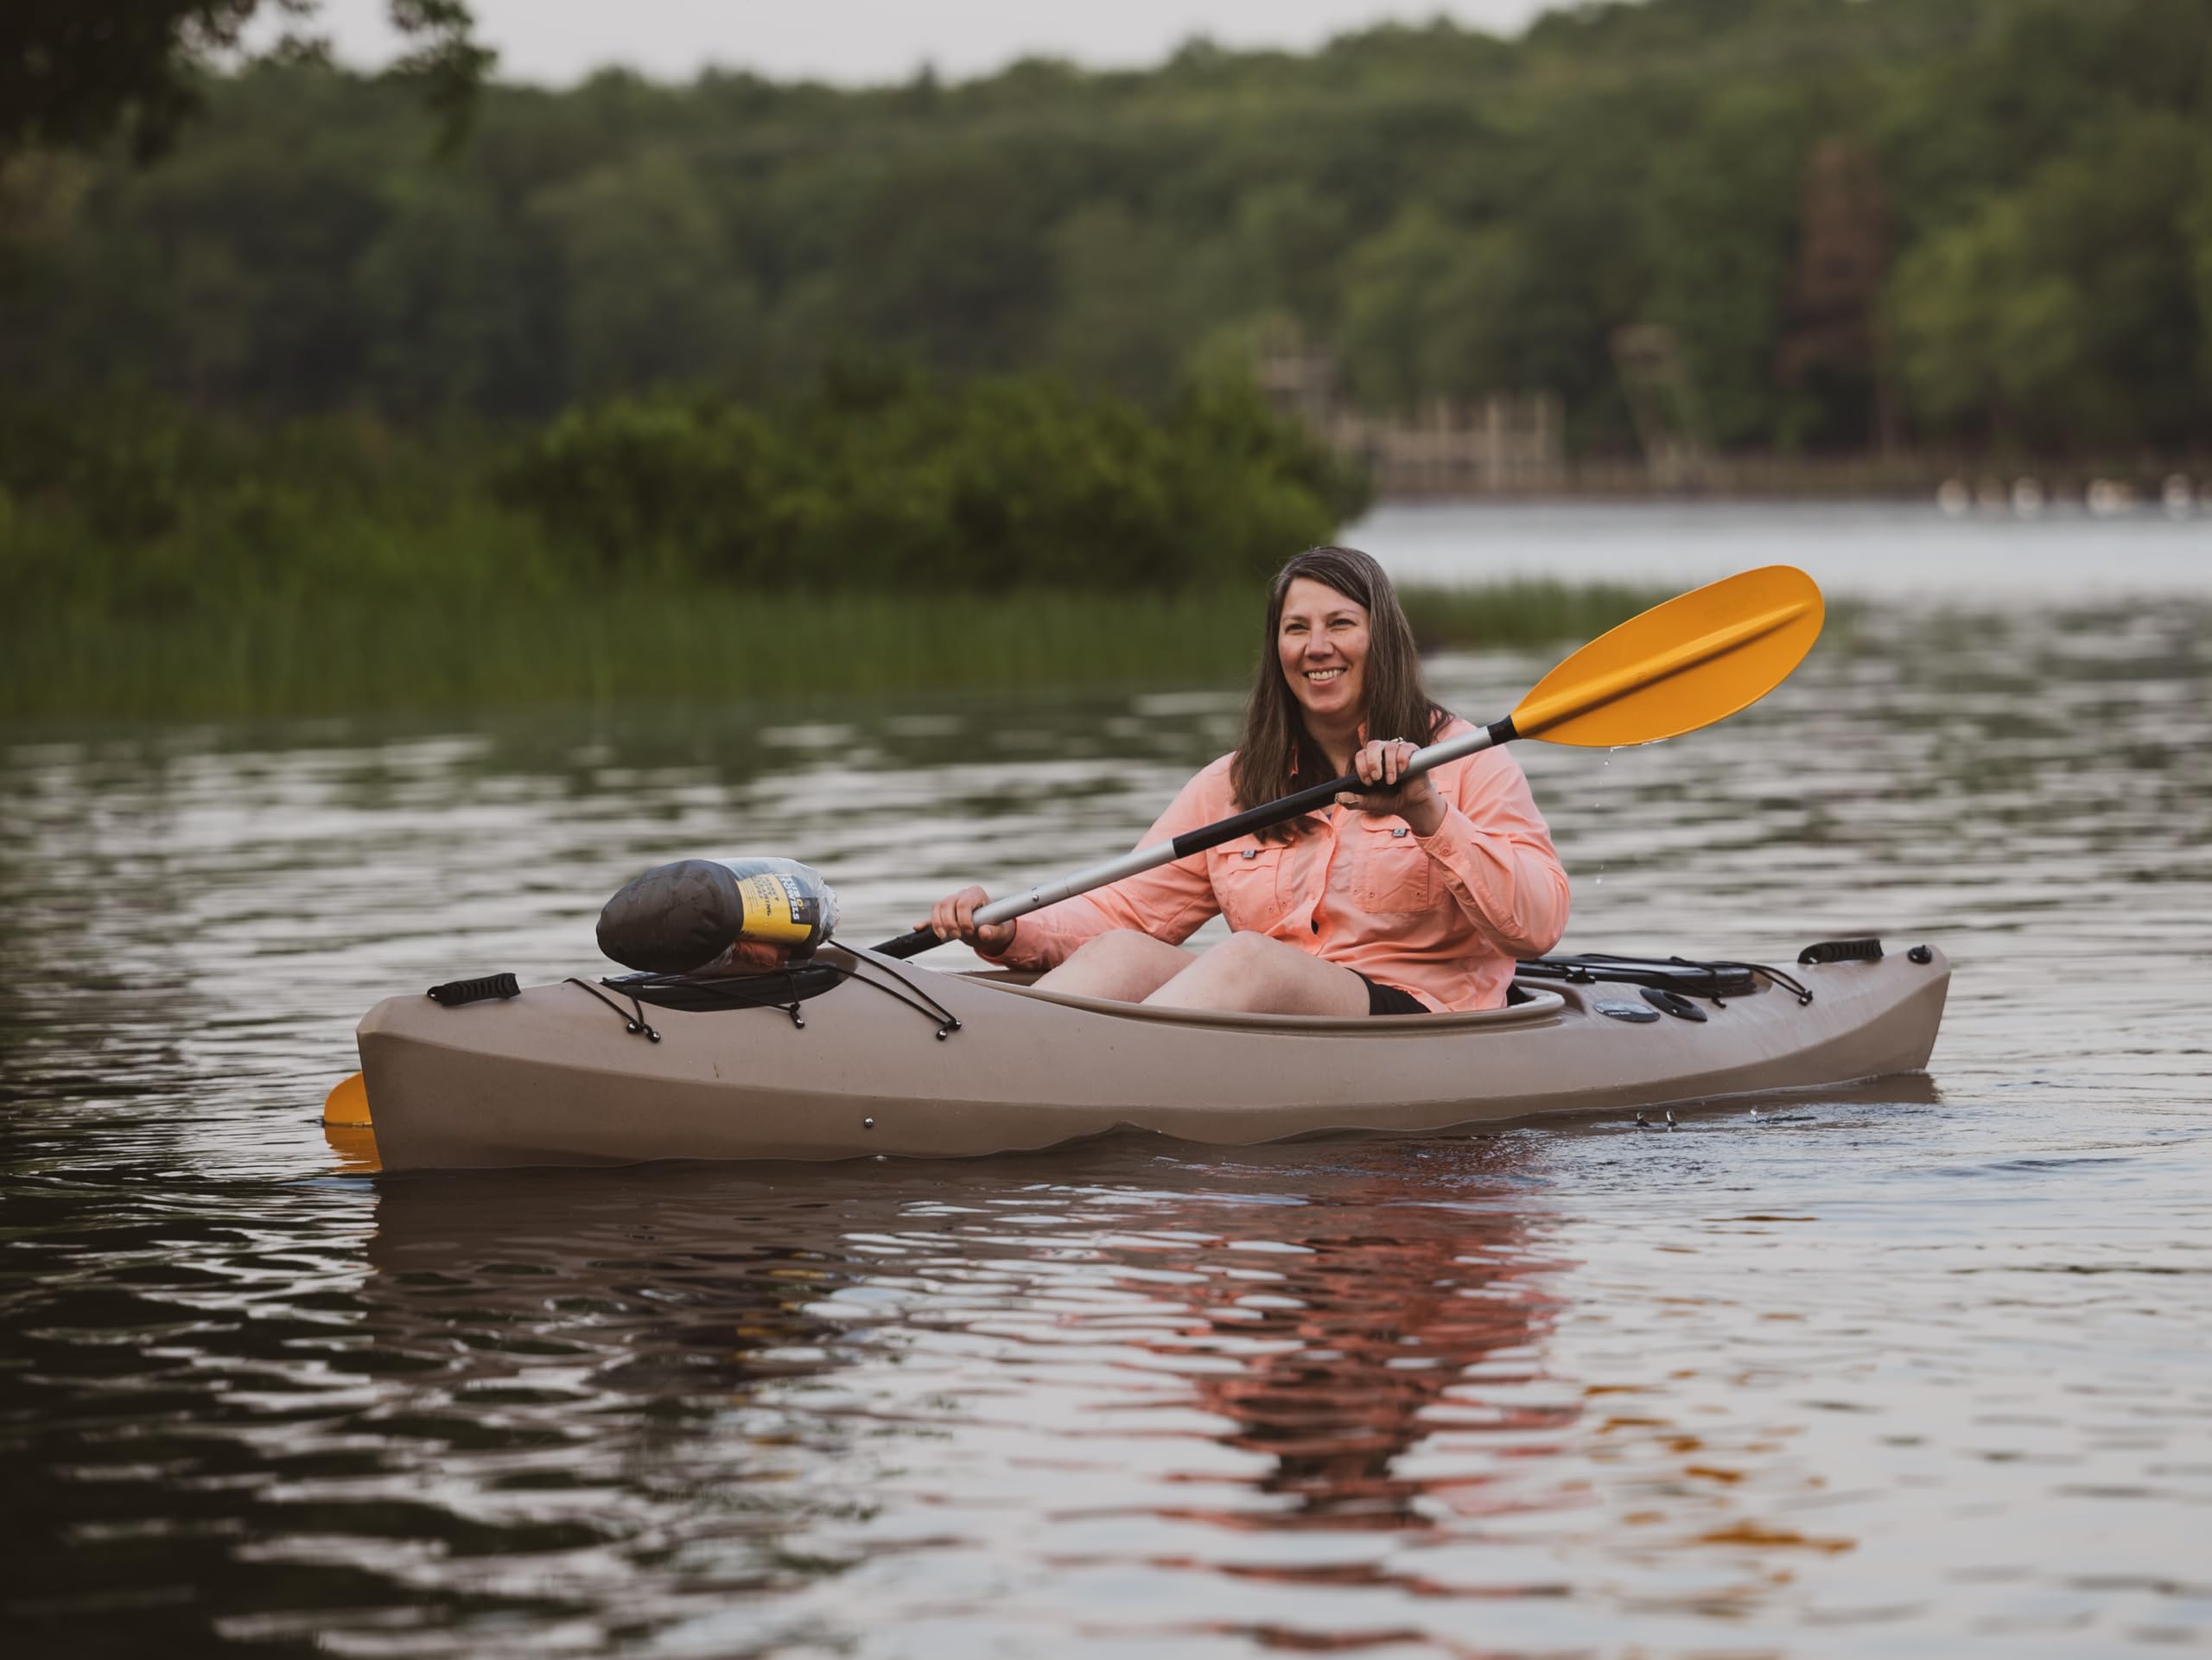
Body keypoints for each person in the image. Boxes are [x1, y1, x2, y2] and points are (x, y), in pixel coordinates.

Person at [920, 545, 1569, 1014]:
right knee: (1123, 951)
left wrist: (1428, 813)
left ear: (1384, 640)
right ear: (1277, 650)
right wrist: (1009, 930)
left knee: (1248, 957)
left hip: (1421, 1019)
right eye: (1296, 628)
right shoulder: (1231, 784)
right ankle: (997, 1063)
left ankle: (1093, 1077)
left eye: (1340, 624)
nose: (1317, 646)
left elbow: (1537, 924)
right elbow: (1127, 909)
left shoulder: (1466, 760)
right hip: (1275, 1019)